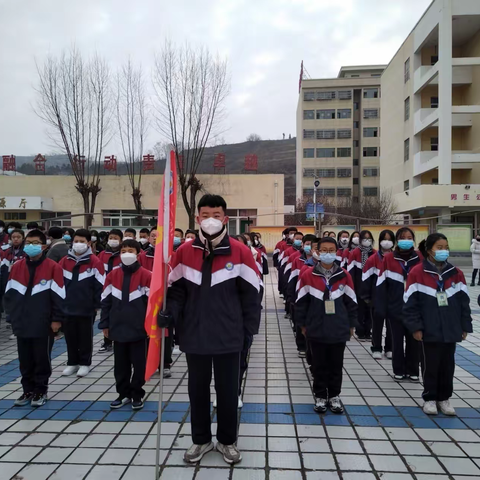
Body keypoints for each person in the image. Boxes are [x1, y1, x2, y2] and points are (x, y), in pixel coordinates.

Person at [161, 194, 261, 465]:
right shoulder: (185, 252)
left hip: (230, 336)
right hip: (195, 335)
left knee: (228, 392)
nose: (211, 221)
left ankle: (227, 441)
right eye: (205, 215)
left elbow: (252, 294)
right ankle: (201, 439)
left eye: (216, 215)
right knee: (197, 390)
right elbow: (176, 291)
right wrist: (169, 313)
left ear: (225, 219)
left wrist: (249, 330)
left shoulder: (240, 252)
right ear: (197, 219)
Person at [403, 233, 472, 416]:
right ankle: (430, 398)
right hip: (429, 328)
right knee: (430, 364)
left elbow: (464, 302)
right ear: (429, 250)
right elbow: (410, 303)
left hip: (450, 328)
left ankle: (444, 398)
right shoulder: (417, 272)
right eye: (439, 248)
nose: (444, 251)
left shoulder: (455, 273)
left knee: (447, 365)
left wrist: (465, 326)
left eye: (446, 247)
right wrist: (415, 327)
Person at [295, 236, 358, 414]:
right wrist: (302, 325)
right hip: (316, 329)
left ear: (337, 252)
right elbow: (301, 303)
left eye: (331, 250)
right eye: (324, 250)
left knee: (336, 364)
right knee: (318, 365)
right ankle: (321, 395)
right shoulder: (308, 275)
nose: (328, 254)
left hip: (339, 329)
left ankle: (334, 396)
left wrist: (352, 324)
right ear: (318, 252)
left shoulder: (344, 275)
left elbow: (351, 302)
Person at [4, 230, 65, 407]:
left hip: (43, 322)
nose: (31, 246)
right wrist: (12, 317)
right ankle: (27, 390)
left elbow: (59, 296)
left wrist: (56, 319)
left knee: (41, 358)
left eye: (35, 242)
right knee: (25, 359)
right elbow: (9, 294)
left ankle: (40, 390)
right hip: (21, 321)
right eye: (28, 242)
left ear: (44, 246)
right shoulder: (17, 266)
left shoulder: (53, 267)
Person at [99, 239, 151, 411]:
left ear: (138, 253)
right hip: (118, 328)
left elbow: (152, 304)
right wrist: (105, 324)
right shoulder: (112, 276)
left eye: (130, 250)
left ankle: (137, 394)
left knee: (139, 364)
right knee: (120, 365)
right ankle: (123, 394)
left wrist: (152, 327)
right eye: (123, 251)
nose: (126, 254)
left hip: (139, 330)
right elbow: (105, 302)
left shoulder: (147, 275)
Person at [59, 229, 105, 377]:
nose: (78, 244)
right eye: (76, 241)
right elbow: (57, 283)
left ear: (89, 243)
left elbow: (100, 284)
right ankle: (72, 362)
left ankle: (85, 363)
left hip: (86, 307)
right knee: (70, 336)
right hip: (67, 307)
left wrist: (97, 304)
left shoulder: (95, 261)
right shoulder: (65, 261)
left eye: (82, 242)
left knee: (85, 337)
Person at [380, 227, 421, 382]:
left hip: (415, 308)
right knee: (397, 340)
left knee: (414, 340)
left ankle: (413, 370)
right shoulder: (389, 258)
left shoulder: (419, 258)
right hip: (395, 307)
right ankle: (398, 369)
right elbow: (381, 284)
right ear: (397, 240)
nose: (406, 240)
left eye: (409, 237)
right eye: (403, 237)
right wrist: (382, 306)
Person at [138, 227, 173, 377]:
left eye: (157, 236)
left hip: (166, 298)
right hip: (147, 299)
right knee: (148, 330)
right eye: (152, 236)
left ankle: (165, 364)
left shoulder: (170, 257)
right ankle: (149, 361)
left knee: (165, 331)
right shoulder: (143, 256)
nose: (153, 238)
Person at [361, 229, 395, 359]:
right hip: (377, 297)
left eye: (389, 239)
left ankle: (390, 348)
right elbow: (365, 278)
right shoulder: (373, 259)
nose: (387, 242)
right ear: (380, 241)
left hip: (393, 298)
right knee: (377, 323)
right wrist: (367, 297)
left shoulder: (396, 258)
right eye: (384, 239)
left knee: (392, 324)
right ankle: (376, 347)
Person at [286, 234, 317, 358]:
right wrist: (291, 297)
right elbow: (292, 279)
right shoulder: (297, 259)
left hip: (316, 298)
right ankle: (301, 346)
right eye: (307, 244)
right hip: (300, 296)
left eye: (312, 245)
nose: (310, 247)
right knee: (301, 321)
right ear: (303, 245)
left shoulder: (323, 263)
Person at [97, 229, 123, 353]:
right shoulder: (102, 254)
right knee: (106, 313)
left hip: (120, 289)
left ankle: (118, 337)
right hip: (106, 289)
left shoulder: (124, 254)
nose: (113, 240)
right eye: (111, 237)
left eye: (116, 238)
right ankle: (107, 341)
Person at [348, 230, 375, 340]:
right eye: (364, 239)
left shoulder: (374, 253)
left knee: (370, 310)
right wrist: (352, 286)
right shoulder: (355, 252)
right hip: (358, 285)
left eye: (369, 239)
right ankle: (360, 331)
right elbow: (351, 271)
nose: (367, 241)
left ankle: (368, 331)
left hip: (371, 286)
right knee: (360, 309)